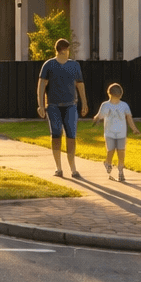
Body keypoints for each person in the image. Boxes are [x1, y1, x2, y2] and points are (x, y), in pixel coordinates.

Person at [37, 37, 88, 179]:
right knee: (56, 135)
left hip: (71, 105)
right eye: (66, 49)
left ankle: (73, 169)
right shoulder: (49, 65)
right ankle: (58, 168)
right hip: (53, 106)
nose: (67, 52)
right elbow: (41, 85)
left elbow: (80, 85)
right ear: (62, 50)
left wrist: (84, 102)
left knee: (71, 136)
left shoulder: (74, 65)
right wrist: (41, 105)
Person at [92, 82, 141, 182]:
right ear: (110, 94)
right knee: (111, 150)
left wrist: (134, 129)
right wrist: (96, 119)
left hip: (121, 133)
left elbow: (129, 118)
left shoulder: (124, 105)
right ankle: (108, 163)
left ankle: (120, 171)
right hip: (109, 133)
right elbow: (99, 115)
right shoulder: (105, 105)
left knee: (121, 151)